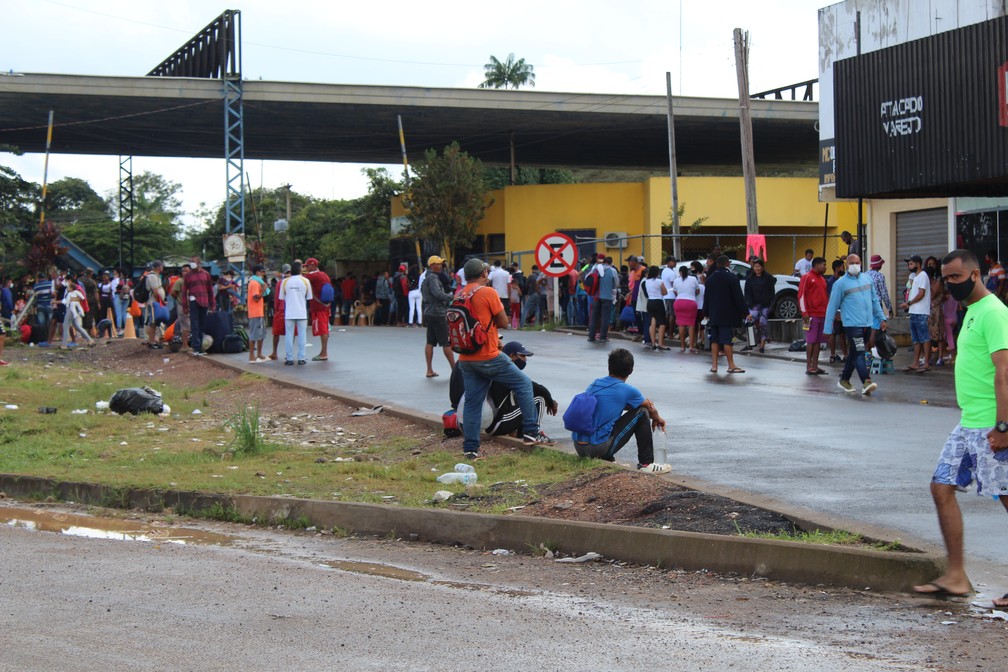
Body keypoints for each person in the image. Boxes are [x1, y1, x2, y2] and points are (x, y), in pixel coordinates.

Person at [912, 249, 1008, 604]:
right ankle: (955, 577)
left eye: (956, 277)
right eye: (946, 278)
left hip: (991, 424)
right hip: (968, 423)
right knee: (941, 487)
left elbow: (1004, 372)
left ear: (975, 275)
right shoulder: (971, 312)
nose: (950, 284)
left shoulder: (994, 312)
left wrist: (1003, 426)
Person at [455, 258, 555, 458]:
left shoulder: (459, 294)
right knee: (523, 384)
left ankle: (471, 449)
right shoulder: (487, 292)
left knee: (473, 403)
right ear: (484, 273)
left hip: (466, 357)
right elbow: (504, 322)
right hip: (488, 355)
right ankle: (531, 431)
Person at [570, 348, 670, 473]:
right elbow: (649, 408)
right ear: (631, 371)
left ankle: (607, 459)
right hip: (597, 448)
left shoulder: (595, 383)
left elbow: (609, 404)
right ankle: (646, 464)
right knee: (642, 412)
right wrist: (657, 418)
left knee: (604, 422)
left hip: (579, 447)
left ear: (609, 366)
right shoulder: (627, 390)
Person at [449, 341, 558, 437]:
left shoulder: (492, 367)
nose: (525, 360)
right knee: (539, 400)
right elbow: (539, 389)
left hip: (487, 420)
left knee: (523, 398)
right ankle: (533, 434)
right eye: (522, 356)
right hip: (497, 423)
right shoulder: (506, 373)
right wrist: (550, 402)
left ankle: (521, 435)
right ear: (512, 356)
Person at [823, 253, 887, 395]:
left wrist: (882, 318)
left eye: (857, 263)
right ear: (846, 265)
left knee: (854, 353)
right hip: (852, 325)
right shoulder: (840, 284)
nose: (855, 265)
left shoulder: (867, 279)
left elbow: (874, 301)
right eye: (851, 263)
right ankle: (866, 381)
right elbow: (832, 307)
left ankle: (844, 379)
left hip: (867, 323)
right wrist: (827, 328)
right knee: (859, 352)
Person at [704, 255, 748, 374]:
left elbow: (706, 297)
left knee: (714, 340)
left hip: (714, 314)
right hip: (727, 314)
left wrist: (706, 312)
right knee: (727, 340)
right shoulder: (732, 277)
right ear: (728, 264)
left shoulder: (710, 279)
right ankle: (731, 365)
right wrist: (745, 312)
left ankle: (714, 366)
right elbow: (738, 297)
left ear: (717, 264)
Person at [420, 255, 455, 378]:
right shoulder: (433, 278)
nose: (440, 266)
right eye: (438, 264)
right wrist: (452, 297)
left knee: (430, 341)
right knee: (446, 342)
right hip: (438, 313)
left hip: (429, 312)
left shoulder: (426, 277)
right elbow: (438, 293)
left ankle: (429, 370)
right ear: (432, 265)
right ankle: (455, 370)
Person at [900, 254, 932, 372]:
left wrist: (908, 303)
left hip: (921, 312)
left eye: (911, 264)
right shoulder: (916, 277)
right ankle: (916, 362)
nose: (909, 266)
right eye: (908, 264)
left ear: (918, 264)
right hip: (914, 311)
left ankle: (926, 363)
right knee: (916, 339)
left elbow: (921, 294)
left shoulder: (923, 276)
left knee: (924, 337)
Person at [798, 256, 828, 375]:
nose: (825, 267)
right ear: (816, 265)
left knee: (818, 341)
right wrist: (804, 312)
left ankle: (815, 365)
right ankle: (809, 366)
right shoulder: (807, 277)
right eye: (823, 265)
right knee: (811, 340)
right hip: (810, 314)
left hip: (822, 314)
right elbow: (801, 295)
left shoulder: (822, 279)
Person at [279, 260, 312, 366]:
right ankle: (301, 358)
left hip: (289, 312)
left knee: (289, 335)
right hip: (302, 312)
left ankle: (289, 358)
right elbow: (309, 297)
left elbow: (282, 297)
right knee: (302, 336)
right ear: (300, 270)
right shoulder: (305, 281)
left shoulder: (285, 282)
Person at [301, 258, 332, 362]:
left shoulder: (314, 275)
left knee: (322, 330)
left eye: (307, 266)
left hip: (319, 307)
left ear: (312, 266)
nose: (305, 268)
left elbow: (300, 278)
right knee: (325, 329)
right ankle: (323, 352)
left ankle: (324, 353)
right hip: (325, 306)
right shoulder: (324, 275)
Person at [182, 258, 214, 356]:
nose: (192, 264)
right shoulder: (188, 276)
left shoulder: (206, 274)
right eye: (191, 262)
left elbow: (210, 290)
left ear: (199, 263)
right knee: (195, 324)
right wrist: (185, 306)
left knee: (202, 325)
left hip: (204, 301)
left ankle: (200, 347)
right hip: (194, 301)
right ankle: (196, 347)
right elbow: (184, 291)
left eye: (194, 262)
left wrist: (212, 304)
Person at [743, 258, 774, 354]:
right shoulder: (749, 279)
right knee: (749, 322)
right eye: (755, 266)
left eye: (759, 266)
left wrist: (770, 302)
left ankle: (762, 346)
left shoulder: (768, 277)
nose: (757, 268)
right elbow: (747, 293)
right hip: (753, 306)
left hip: (765, 305)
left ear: (762, 267)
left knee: (763, 324)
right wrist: (749, 303)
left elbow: (772, 291)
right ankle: (751, 343)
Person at [587, 256, 618, 343]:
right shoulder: (613, 270)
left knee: (594, 317)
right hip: (607, 297)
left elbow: (588, 278)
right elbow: (616, 283)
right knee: (605, 317)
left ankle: (591, 336)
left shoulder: (595, 269)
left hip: (596, 297)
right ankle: (603, 336)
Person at [61, 272, 95, 349]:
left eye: (65, 280)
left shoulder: (74, 288)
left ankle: (64, 344)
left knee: (65, 326)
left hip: (71, 308)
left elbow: (80, 298)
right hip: (73, 308)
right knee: (77, 326)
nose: (64, 282)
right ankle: (90, 340)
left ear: (69, 280)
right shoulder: (69, 288)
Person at [671, 264, 700, 353]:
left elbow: (675, 292)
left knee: (681, 324)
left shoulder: (676, 281)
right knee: (691, 324)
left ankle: (682, 346)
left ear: (680, 272)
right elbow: (698, 291)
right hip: (691, 302)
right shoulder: (693, 279)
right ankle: (691, 346)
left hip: (679, 302)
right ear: (688, 272)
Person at [826, 258, 848, 363]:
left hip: (841, 311)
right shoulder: (832, 282)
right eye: (842, 267)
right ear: (837, 268)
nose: (844, 269)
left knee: (840, 333)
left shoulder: (840, 280)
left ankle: (841, 355)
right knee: (837, 334)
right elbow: (831, 298)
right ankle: (835, 355)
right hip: (836, 312)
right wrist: (835, 313)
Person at [642, 265, 668, 351]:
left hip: (650, 302)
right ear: (657, 273)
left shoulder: (646, 282)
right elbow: (665, 292)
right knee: (662, 323)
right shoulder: (659, 281)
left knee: (652, 322)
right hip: (658, 302)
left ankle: (653, 343)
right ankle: (660, 343)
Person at [141, 261, 166, 350]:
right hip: (153, 303)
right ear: (158, 267)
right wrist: (161, 301)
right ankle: (151, 341)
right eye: (162, 266)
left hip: (156, 303)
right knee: (152, 322)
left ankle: (154, 339)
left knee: (155, 321)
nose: (163, 268)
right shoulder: (152, 276)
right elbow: (155, 291)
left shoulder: (156, 276)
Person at [246, 264, 268, 362]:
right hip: (255, 312)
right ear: (258, 272)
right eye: (262, 271)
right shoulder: (254, 283)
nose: (263, 274)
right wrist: (263, 290)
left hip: (258, 312)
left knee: (261, 334)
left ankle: (259, 354)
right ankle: (252, 355)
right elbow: (256, 298)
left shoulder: (256, 282)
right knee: (254, 334)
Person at [269, 264, 291, 360]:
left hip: (281, 309)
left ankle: (274, 352)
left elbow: (277, 298)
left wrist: (276, 309)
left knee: (276, 332)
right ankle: (289, 353)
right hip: (291, 310)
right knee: (290, 333)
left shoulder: (280, 283)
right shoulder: (294, 282)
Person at [169, 264, 191, 351]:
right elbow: (173, 293)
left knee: (191, 325)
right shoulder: (179, 282)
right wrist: (179, 300)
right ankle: (185, 345)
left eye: (186, 271)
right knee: (185, 326)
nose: (184, 273)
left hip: (193, 306)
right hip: (182, 306)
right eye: (183, 271)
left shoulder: (193, 281)